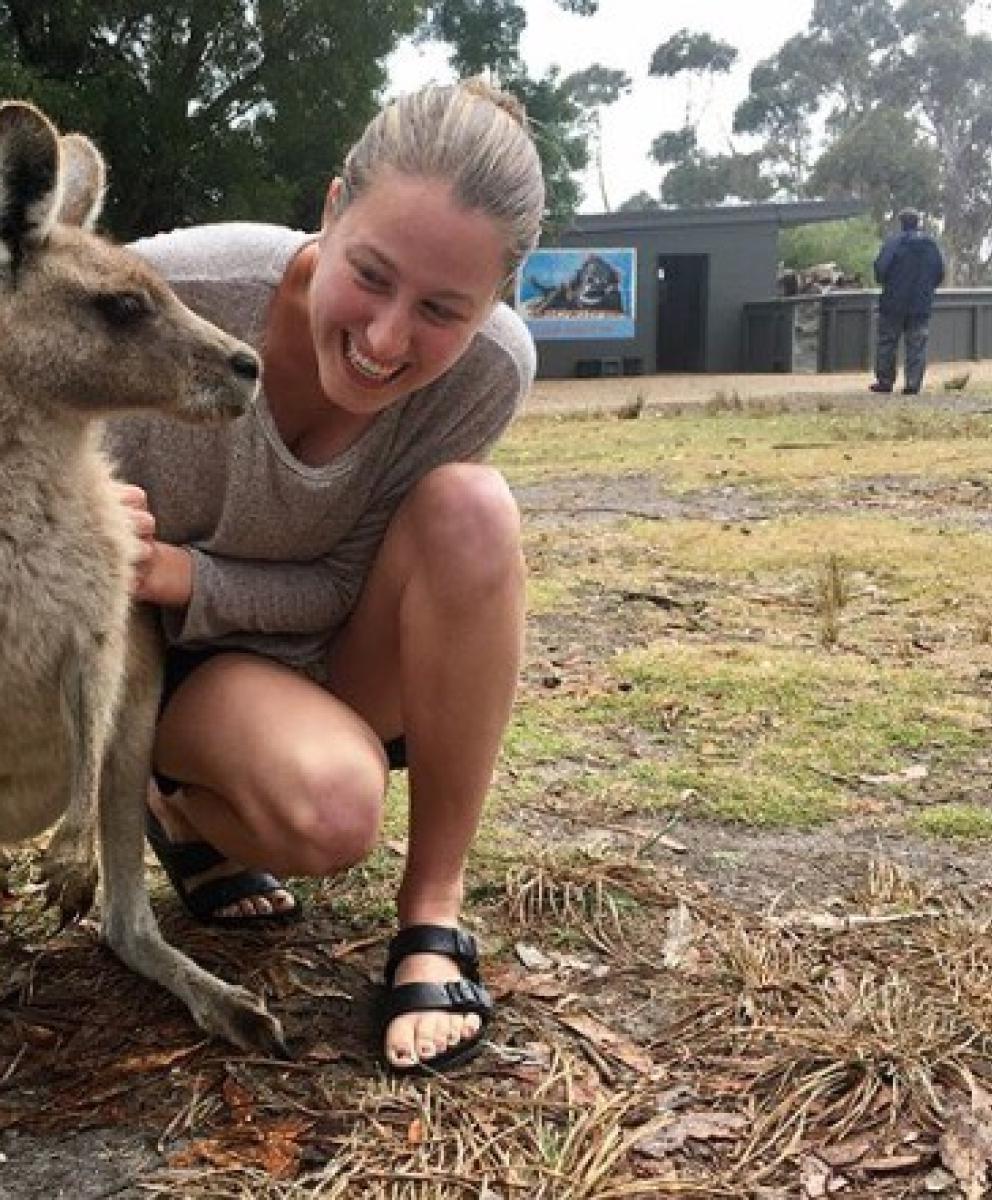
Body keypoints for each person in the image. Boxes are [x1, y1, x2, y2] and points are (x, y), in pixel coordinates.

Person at [107, 77, 544, 1075]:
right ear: (332, 207)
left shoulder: (486, 372)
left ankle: (430, 912)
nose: (388, 339)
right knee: (333, 811)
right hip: (157, 665)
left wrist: (185, 569)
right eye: (373, 276)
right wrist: (76, 516)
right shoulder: (173, 297)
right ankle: (174, 798)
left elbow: (349, 579)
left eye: (443, 308)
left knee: (472, 508)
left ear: (494, 299)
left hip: (316, 645)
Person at [869, 207, 945, 395]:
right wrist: (926, 289)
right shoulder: (931, 245)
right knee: (917, 344)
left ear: (901, 222)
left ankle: (885, 382)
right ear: (918, 222)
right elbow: (940, 273)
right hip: (920, 303)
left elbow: (880, 270)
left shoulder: (893, 243)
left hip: (893, 302)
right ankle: (912, 383)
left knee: (887, 342)